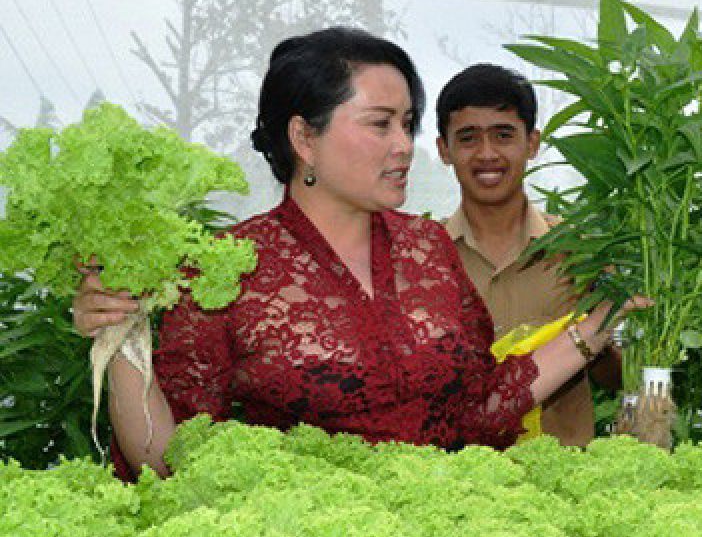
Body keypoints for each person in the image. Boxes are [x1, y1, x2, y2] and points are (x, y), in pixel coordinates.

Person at [72, 27, 628, 478]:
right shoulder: (226, 267)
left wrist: (592, 330)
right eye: (380, 124)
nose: (404, 145)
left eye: (408, 123)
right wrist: (121, 333)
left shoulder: (426, 248)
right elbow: (169, 460)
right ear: (305, 138)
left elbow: (479, 409)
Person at [435, 64, 618, 447]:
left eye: (504, 136)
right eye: (468, 138)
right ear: (444, 150)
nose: (487, 154)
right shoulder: (421, 256)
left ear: (532, 144)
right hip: (449, 476)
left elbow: (617, 380)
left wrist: (595, 338)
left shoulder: (581, 250)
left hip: (562, 482)